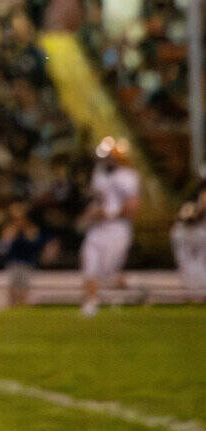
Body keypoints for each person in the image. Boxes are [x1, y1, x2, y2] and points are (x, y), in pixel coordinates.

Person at [78, 135, 140, 317]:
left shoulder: (128, 177)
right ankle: (91, 303)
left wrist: (109, 213)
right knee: (89, 263)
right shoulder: (99, 174)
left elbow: (133, 205)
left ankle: (137, 288)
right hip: (97, 228)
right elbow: (98, 200)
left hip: (117, 228)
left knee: (109, 272)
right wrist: (92, 213)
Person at [172, 179, 206, 301]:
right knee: (189, 264)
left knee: (199, 263)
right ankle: (193, 289)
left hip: (200, 236)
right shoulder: (193, 202)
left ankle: (198, 290)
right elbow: (188, 218)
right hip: (188, 236)